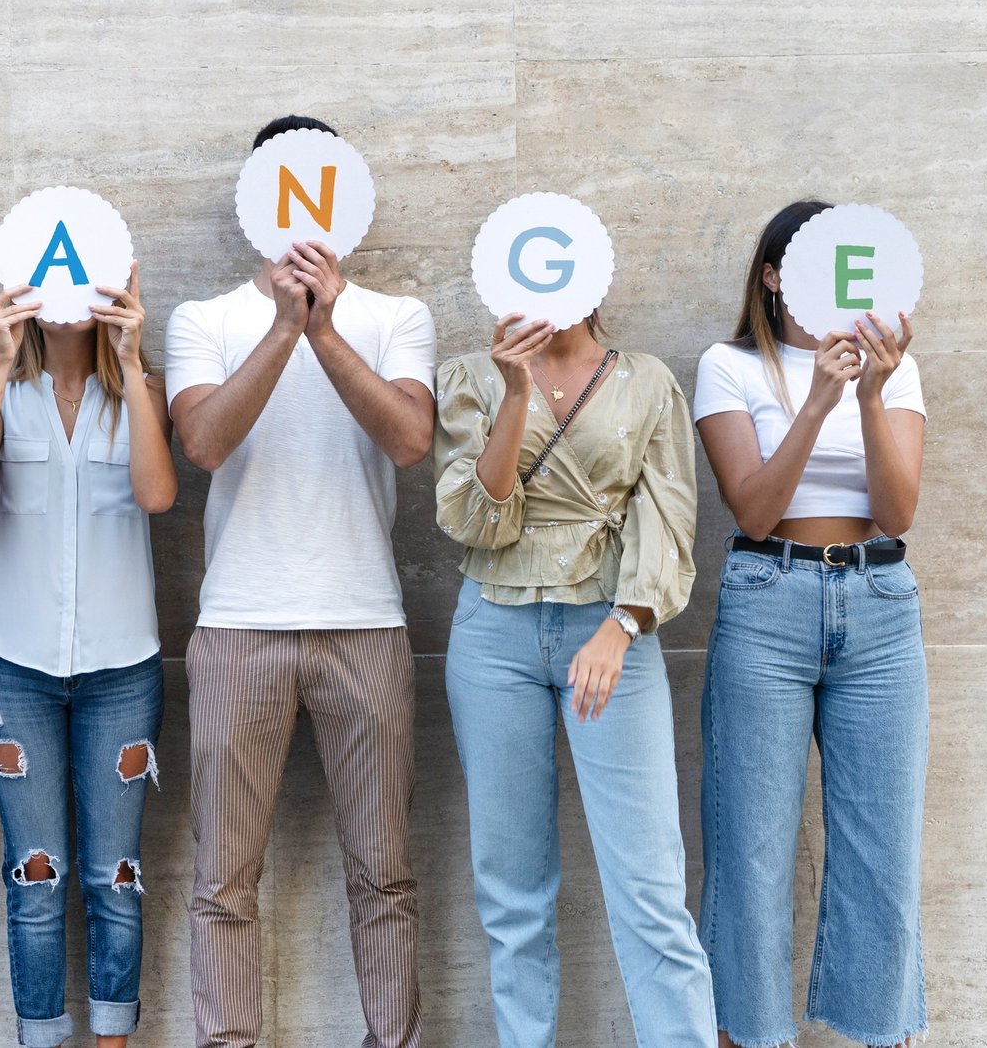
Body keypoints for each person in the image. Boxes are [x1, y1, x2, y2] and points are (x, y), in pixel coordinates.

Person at [166, 115, 437, 1048]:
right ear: (257, 201)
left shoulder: (398, 317)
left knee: (386, 876)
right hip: (238, 625)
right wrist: (286, 326)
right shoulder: (203, 319)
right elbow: (203, 444)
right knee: (223, 881)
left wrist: (323, 329)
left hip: (367, 624)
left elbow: (409, 440)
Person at [433, 299, 716, 1046]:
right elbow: (475, 521)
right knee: (511, 890)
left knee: (650, 886)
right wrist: (514, 392)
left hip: (612, 629)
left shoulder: (646, 380)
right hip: (493, 633)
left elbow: (671, 520)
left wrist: (621, 626)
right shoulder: (468, 377)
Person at [694, 200, 927, 1048]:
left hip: (880, 604)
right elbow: (753, 510)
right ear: (773, 275)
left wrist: (868, 394)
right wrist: (817, 401)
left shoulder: (896, 368)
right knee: (749, 850)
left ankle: (882, 1033)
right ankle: (748, 1035)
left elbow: (898, 512)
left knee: (883, 852)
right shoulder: (729, 366)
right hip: (769, 598)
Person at [0, 256, 174, 1048]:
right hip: (14, 667)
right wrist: (0, 360)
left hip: (123, 669)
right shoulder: (1, 391)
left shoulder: (141, 392)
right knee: (35, 875)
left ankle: (112, 1040)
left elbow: (158, 494)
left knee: (116, 874)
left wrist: (133, 362)